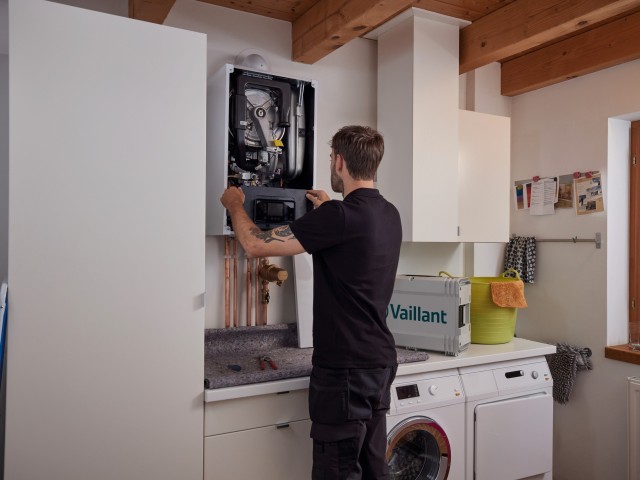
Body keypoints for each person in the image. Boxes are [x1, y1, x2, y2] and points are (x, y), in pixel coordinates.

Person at [220, 125, 402, 479]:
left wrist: (234, 205)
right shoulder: (389, 213)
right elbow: (351, 239)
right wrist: (329, 210)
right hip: (380, 364)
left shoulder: (338, 217)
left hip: (345, 370)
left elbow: (256, 245)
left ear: (338, 162)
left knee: (338, 471)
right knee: (372, 470)